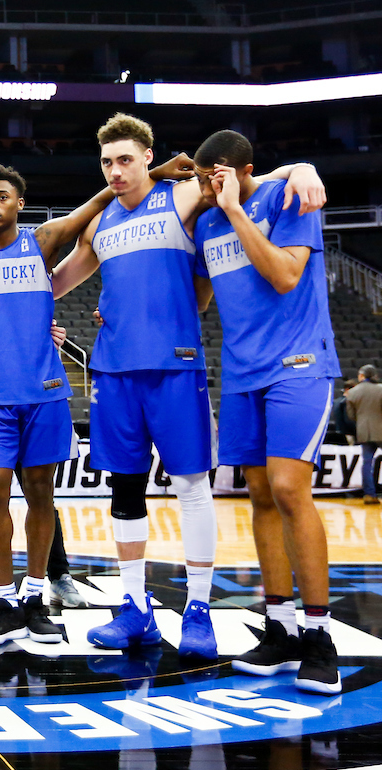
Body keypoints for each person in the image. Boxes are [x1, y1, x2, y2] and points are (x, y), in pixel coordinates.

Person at [53, 113, 324, 661]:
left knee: (192, 486)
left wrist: (301, 166)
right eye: (106, 162)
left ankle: (198, 608)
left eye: (126, 159)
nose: (116, 171)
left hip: (177, 366)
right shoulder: (99, 222)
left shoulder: (184, 199)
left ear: (149, 156)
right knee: (124, 490)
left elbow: (243, 177)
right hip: (114, 368)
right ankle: (135, 608)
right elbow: (56, 282)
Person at [0, 163, 144, 647]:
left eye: (3, 195)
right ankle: (4, 599)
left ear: (19, 203)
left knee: (41, 493)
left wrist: (143, 174)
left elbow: (93, 207)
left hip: (43, 391)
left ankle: (34, 594)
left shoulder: (41, 241)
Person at [191, 129, 340, 694]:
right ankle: (278, 628)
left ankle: (319, 636)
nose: (207, 188)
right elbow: (200, 296)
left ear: (241, 169)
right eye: (204, 179)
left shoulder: (286, 199)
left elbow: (283, 275)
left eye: (216, 177)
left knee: (287, 488)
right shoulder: (206, 222)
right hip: (243, 373)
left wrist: (241, 206)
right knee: (256, 494)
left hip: (299, 364)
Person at [347, 365, 382, 504]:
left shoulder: (353, 392)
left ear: (361, 376)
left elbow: (350, 416)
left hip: (364, 432)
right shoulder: (380, 389)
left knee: (367, 463)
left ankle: (369, 494)